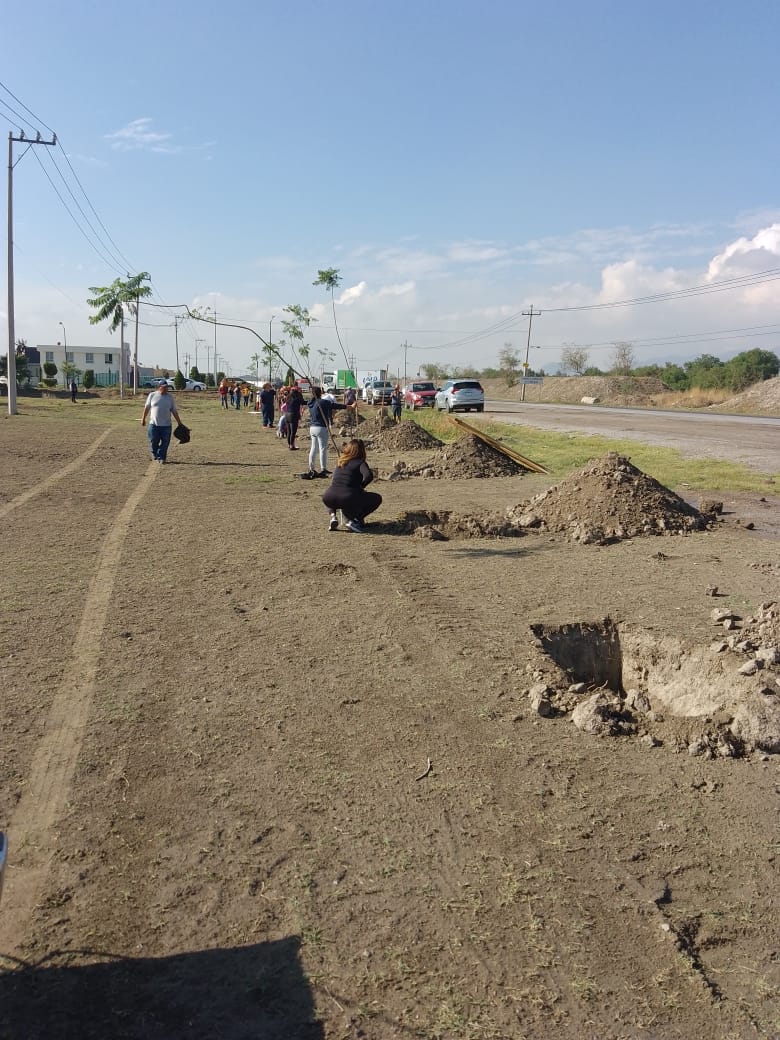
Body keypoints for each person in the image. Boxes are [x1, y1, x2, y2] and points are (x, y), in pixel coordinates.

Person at [322, 438, 382, 533]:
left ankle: (333, 517)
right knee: (377, 498)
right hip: (347, 496)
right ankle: (354, 521)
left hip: (328, 496)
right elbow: (369, 476)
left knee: (335, 494)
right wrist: (361, 487)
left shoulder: (341, 461)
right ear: (362, 450)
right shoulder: (360, 463)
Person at [305, 386, 345, 477]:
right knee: (322, 448)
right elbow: (334, 405)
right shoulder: (322, 402)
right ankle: (323, 469)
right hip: (321, 427)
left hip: (312, 427)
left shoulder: (310, 403)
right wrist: (347, 406)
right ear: (320, 393)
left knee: (313, 448)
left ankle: (311, 468)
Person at [141, 381, 183, 463]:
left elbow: (174, 411)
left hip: (166, 425)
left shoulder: (170, 397)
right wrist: (143, 419)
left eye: (167, 387)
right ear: (159, 387)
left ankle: (161, 457)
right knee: (153, 440)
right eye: (164, 387)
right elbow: (147, 408)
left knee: (165, 443)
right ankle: (154, 453)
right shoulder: (152, 395)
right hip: (154, 424)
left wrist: (179, 423)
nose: (166, 388)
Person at [285, 385, 304, 450]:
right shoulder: (297, 399)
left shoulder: (288, 398)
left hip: (287, 414)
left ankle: (289, 444)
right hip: (293, 415)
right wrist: (300, 395)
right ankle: (291, 445)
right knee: (293, 432)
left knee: (289, 431)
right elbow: (303, 402)